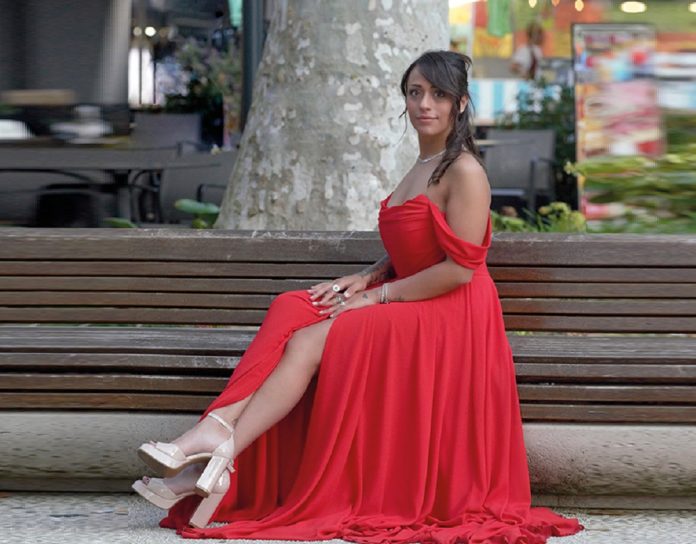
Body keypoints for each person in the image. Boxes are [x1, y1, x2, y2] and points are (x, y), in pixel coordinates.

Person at [132, 50, 584, 542]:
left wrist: (379, 296)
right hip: (412, 295)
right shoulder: (423, 164)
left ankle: (214, 451)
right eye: (415, 92)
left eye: (438, 94)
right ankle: (216, 439)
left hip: (453, 316)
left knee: (312, 340)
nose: (424, 104)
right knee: (292, 307)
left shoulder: (464, 171)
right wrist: (368, 276)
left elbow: (459, 269)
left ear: (460, 103)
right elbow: (420, 245)